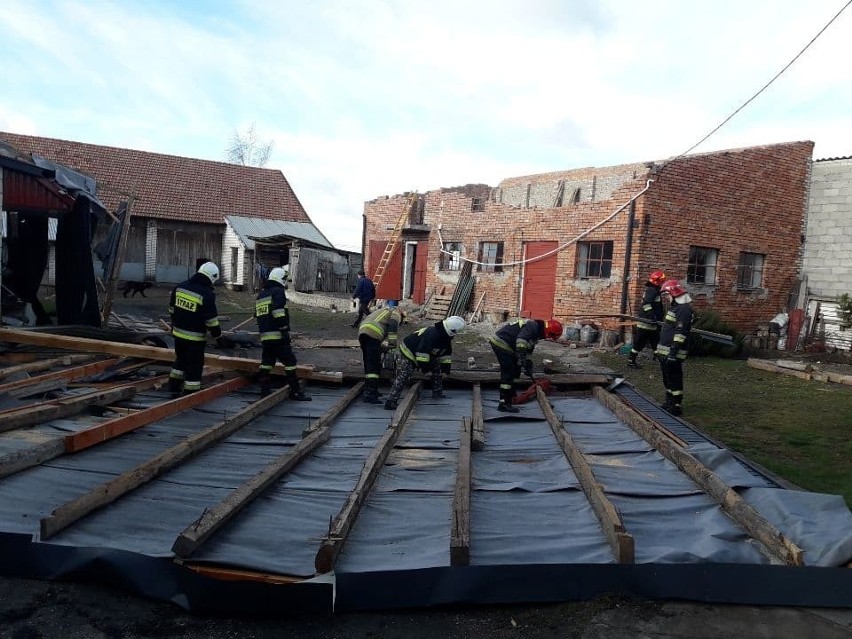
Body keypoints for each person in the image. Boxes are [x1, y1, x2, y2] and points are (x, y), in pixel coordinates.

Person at [384, 316, 465, 411]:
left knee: (436, 366)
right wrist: (426, 370)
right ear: (452, 330)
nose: (455, 335)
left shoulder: (445, 337)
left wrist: (445, 371)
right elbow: (422, 353)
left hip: (422, 352)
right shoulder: (433, 335)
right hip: (409, 351)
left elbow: (445, 355)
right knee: (405, 375)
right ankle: (390, 401)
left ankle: (437, 393)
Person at [167, 261, 225, 395]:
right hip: (195, 339)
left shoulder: (180, 287)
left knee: (180, 360)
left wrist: (174, 326)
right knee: (194, 366)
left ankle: (173, 386)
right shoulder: (207, 294)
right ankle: (191, 393)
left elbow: (171, 309)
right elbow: (211, 321)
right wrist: (219, 338)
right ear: (212, 277)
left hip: (178, 335)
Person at [255, 266, 311, 400]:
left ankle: (264, 391)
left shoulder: (261, 294)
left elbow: (260, 315)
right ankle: (295, 392)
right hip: (277, 335)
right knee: (290, 362)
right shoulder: (278, 292)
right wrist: (284, 330)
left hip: (265, 336)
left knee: (267, 362)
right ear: (280, 279)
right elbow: (278, 313)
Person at [489, 317, 563, 413]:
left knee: (516, 370)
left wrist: (528, 364)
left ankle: (511, 395)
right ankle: (503, 403)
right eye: (552, 336)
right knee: (508, 373)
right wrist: (521, 357)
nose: (550, 338)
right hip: (502, 343)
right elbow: (521, 341)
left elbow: (528, 348)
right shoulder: (533, 327)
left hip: (508, 345)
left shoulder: (536, 331)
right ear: (549, 331)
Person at [655, 279, 694, 416]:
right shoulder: (676, 307)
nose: (666, 298)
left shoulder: (683, 309)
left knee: (674, 378)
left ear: (674, 293)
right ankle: (669, 402)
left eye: (667, 295)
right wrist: (659, 350)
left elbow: (680, 333)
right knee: (668, 378)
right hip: (666, 351)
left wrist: (673, 352)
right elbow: (668, 330)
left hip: (674, 353)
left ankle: (676, 405)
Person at [358, 305, 404, 404]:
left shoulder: (383, 311)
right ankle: (370, 394)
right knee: (374, 366)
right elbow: (392, 325)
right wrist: (392, 345)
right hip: (373, 333)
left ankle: (369, 390)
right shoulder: (396, 312)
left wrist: (382, 348)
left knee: (368, 362)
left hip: (363, 332)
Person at [627, 270, 667, 368]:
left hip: (652, 324)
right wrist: (652, 316)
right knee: (639, 344)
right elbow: (646, 304)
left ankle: (663, 363)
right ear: (657, 281)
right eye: (662, 281)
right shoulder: (652, 290)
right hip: (646, 324)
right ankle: (631, 362)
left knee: (656, 344)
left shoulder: (654, 289)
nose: (663, 283)